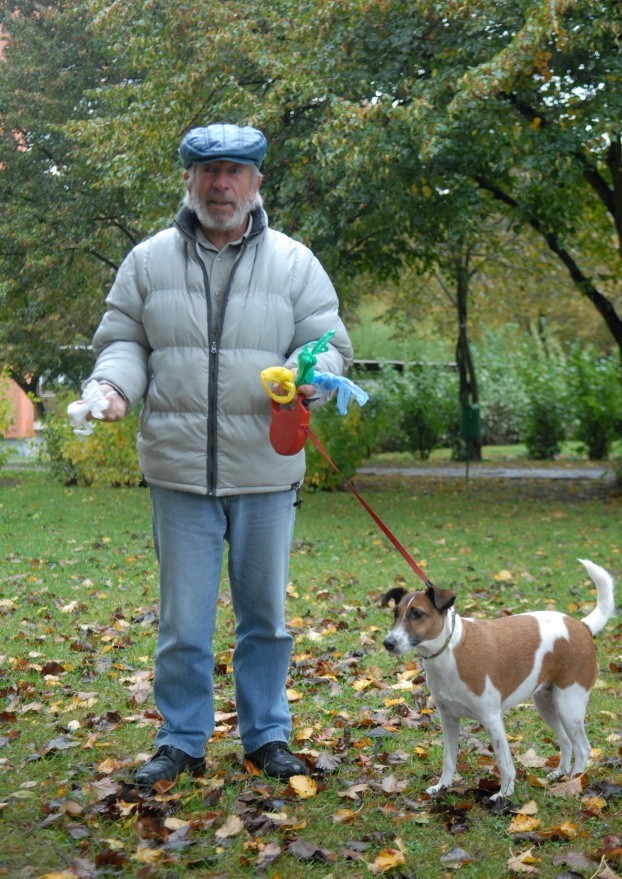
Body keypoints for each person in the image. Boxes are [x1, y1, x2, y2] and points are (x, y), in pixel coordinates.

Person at [85, 122, 353, 790]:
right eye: (209, 172)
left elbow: (328, 343)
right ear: (188, 180)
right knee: (183, 620)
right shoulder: (147, 261)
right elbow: (123, 341)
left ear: (257, 182)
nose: (222, 184)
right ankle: (181, 738)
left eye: (235, 172)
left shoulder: (295, 263)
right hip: (178, 471)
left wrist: (309, 374)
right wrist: (112, 386)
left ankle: (267, 735)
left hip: (266, 468)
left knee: (265, 615)